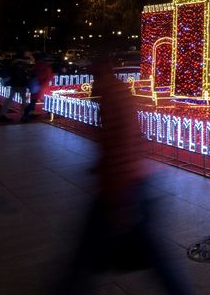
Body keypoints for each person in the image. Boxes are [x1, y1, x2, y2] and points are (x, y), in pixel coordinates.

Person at [58, 54, 191, 294]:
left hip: (125, 186)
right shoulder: (118, 92)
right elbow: (122, 139)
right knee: (151, 253)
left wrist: (118, 192)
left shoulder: (110, 95)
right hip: (131, 180)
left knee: (87, 256)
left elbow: (121, 141)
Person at [0, 49, 33, 123]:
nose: (29, 53)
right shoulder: (20, 62)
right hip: (19, 84)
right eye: (27, 52)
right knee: (23, 99)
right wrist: (24, 81)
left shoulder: (15, 61)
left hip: (15, 83)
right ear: (24, 53)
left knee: (10, 99)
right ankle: (25, 115)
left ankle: (3, 115)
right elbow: (20, 74)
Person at [21, 52, 54, 122]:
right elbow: (49, 77)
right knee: (48, 100)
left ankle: (26, 115)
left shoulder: (36, 65)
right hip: (43, 87)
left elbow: (33, 74)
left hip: (35, 86)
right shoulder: (46, 67)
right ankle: (50, 113)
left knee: (33, 102)